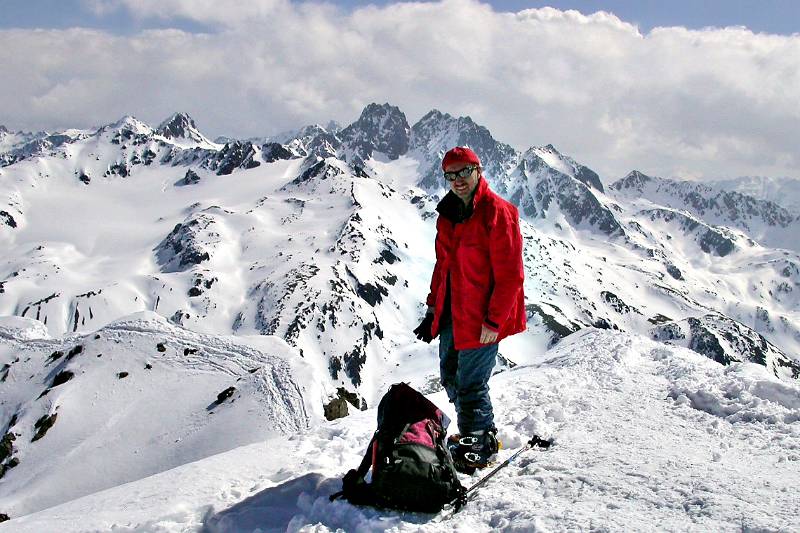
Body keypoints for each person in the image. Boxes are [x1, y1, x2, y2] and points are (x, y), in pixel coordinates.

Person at [414, 146, 526, 471]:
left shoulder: (497, 212)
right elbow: (443, 267)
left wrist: (494, 320)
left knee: (471, 384)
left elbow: (511, 276)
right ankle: (482, 434)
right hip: (453, 313)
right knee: (450, 375)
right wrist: (433, 309)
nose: (458, 180)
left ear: (477, 169)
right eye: (451, 174)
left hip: (482, 317)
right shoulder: (448, 215)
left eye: (464, 171)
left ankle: (477, 445)